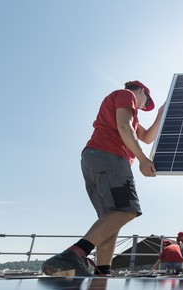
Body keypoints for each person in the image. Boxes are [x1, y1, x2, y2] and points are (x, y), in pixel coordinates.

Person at [42, 81, 165, 277]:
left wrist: (161, 113)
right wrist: (142, 159)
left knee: (111, 219)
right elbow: (124, 127)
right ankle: (73, 255)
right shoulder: (126, 95)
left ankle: (103, 271)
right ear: (141, 90)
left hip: (94, 159)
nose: (143, 106)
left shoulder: (128, 111)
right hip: (110, 156)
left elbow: (147, 137)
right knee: (127, 210)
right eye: (146, 101)